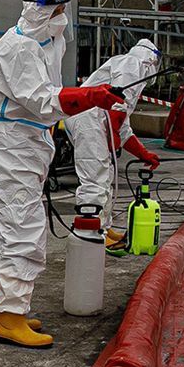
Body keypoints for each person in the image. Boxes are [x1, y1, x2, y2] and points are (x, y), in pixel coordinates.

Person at [0, 0, 122, 348]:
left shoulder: (46, 41)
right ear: (38, 11)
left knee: (8, 224)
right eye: (57, 10)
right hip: (13, 142)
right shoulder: (18, 49)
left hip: (26, 141)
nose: (62, 17)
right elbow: (44, 100)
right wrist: (91, 97)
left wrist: (87, 94)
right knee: (23, 227)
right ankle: (11, 318)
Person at [68, 37, 162, 247]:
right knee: (95, 179)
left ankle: (104, 228)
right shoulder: (132, 64)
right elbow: (117, 105)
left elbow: (124, 126)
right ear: (151, 60)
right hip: (88, 118)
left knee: (105, 177)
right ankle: (92, 236)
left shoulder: (132, 72)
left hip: (95, 121)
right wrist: (114, 137)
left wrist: (143, 154)